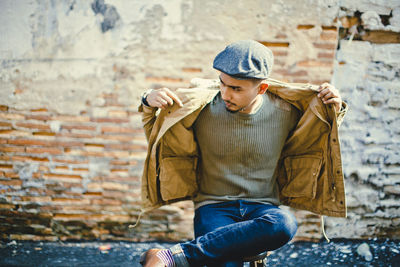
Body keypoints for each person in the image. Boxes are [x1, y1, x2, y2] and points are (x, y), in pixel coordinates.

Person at [138, 40, 347, 267]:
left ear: (262, 88)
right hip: (213, 207)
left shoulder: (286, 111)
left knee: (285, 224)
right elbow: (161, 137)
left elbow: (318, 135)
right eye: (223, 84)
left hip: (263, 209)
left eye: (236, 89)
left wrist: (334, 107)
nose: (226, 94)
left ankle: (171, 257)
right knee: (228, 263)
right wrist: (148, 100)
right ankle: (175, 257)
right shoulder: (199, 108)